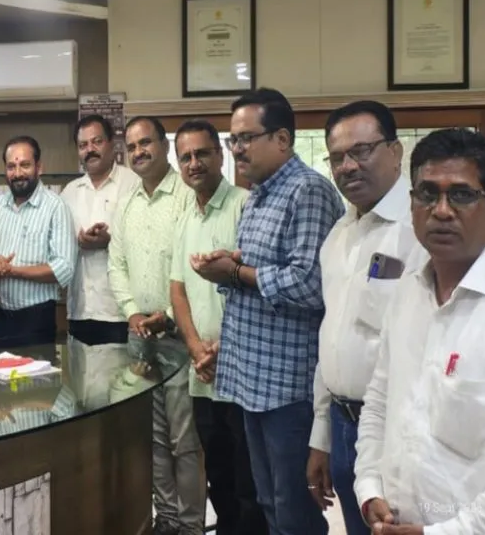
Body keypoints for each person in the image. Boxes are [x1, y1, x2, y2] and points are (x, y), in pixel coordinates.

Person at [354, 128, 485, 534]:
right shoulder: (405, 294)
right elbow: (379, 402)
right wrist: (369, 488)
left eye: (461, 194)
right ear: (412, 205)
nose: (441, 210)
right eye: (427, 193)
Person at [193, 87, 343, 535]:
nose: (236, 149)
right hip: (251, 379)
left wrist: (237, 272)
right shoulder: (258, 194)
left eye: (246, 138)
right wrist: (228, 266)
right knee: (268, 504)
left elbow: (309, 284)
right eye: (233, 139)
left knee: (294, 512)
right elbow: (256, 273)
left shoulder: (308, 191)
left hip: (288, 388)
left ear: (282, 139)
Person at [305, 101, 419, 535]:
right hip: (341, 423)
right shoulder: (338, 236)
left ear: (396, 151)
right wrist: (321, 436)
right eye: (337, 157)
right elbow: (331, 335)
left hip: (396, 433)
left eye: (361, 151)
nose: (348, 166)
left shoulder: (420, 229)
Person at [168, 119, 265, 535]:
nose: (194, 163)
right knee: (219, 476)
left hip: (241, 371)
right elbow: (177, 290)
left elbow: (257, 286)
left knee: (249, 482)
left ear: (220, 155)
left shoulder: (246, 206)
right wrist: (195, 348)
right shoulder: (185, 219)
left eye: (202, 153)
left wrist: (222, 347)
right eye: (185, 157)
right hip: (202, 375)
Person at [108, 116, 201, 535]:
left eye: (146, 143)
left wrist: (166, 313)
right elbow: (116, 264)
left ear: (165, 146)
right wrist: (131, 311)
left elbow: (194, 268)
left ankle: (191, 525)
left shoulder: (187, 196)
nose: (138, 151)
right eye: (131, 146)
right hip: (140, 337)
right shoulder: (127, 202)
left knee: (185, 440)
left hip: (179, 334)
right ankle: (166, 519)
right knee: (154, 438)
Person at [0, 135, 76, 346]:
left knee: (37, 369)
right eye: (11, 167)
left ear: (39, 167)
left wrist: (12, 270)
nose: (17, 173)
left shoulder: (56, 207)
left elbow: (64, 268)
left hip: (36, 319)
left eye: (25, 165)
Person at [60, 114, 139, 345]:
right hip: (80, 310)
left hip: (122, 312)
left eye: (97, 142)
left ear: (112, 144)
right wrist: (77, 240)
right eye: (83, 145)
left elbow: (146, 241)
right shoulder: (69, 192)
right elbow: (59, 243)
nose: (90, 150)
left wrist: (110, 241)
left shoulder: (133, 183)